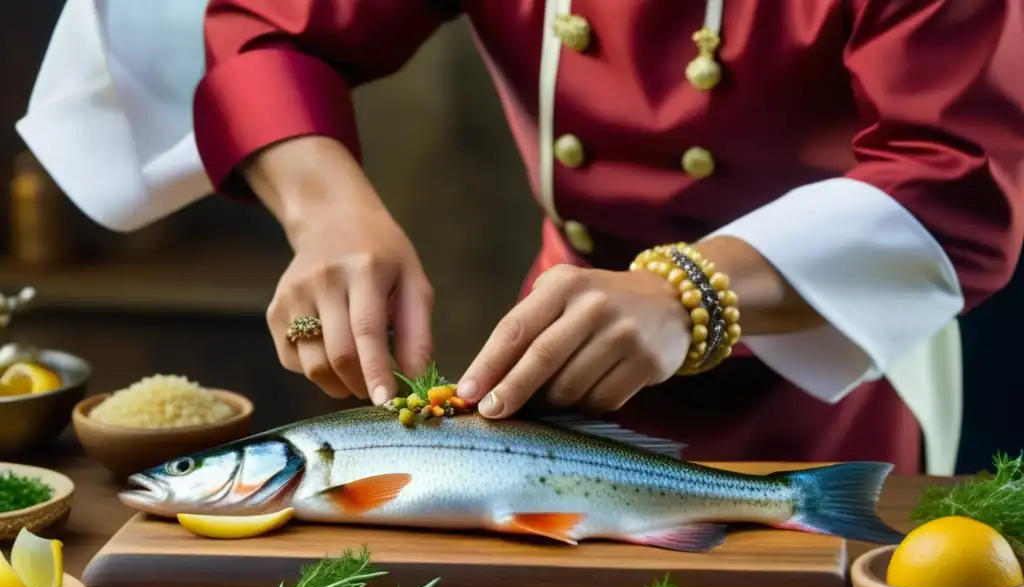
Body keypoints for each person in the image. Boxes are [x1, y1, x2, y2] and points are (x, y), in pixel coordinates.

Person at [18, 0, 1024, 477]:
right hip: (552, 363)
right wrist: (327, 211)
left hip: (823, 366)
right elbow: (269, 29)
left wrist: (691, 293)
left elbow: (959, 175)